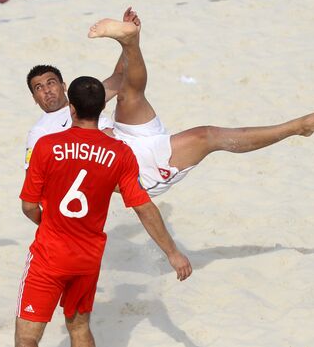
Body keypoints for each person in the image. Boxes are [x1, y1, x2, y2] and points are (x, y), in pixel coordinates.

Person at [25, 8, 314, 197]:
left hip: (130, 135)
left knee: (129, 91)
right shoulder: (40, 134)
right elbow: (48, 177)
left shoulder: (82, 97)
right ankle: (297, 127)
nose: (47, 91)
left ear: (64, 86)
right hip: (132, 166)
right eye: (39, 88)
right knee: (208, 135)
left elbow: (121, 79)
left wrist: (132, 39)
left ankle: (129, 40)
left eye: (51, 83)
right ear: (35, 99)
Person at [17, 76, 191, 347]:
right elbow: (144, 207)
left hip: (50, 254)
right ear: (101, 109)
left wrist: (50, 223)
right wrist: (173, 252)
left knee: (28, 337)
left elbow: (28, 206)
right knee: (79, 327)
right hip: (87, 257)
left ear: (71, 108)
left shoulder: (46, 146)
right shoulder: (120, 153)